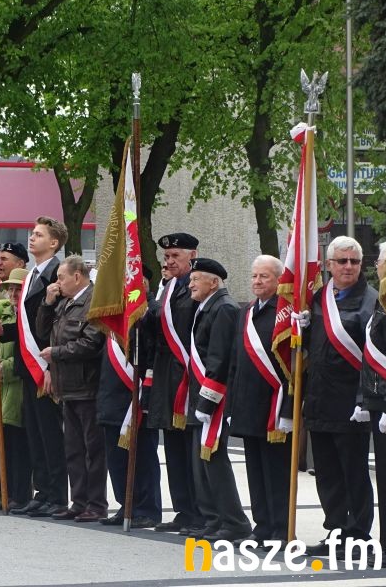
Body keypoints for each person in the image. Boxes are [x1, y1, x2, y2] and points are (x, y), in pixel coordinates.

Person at [304, 236, 377, 556]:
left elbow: (373, 359)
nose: (349, 267)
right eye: (342, 261)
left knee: (354, 473)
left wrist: (364, 400)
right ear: (329, 265)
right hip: (320, 400)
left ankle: (358, 535)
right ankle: (335, 530)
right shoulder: (318, 299)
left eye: (354, 261)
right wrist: (301, 327)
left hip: (351, 404)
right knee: (327, 473)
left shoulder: (371, 301)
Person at [0, 217, 69, 517]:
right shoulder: (32, 275)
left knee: (50, 435)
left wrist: (50, 367)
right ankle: (43, 491)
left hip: (45, 367)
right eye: (32, 233)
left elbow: (55, 325)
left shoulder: (57, 274)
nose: (32, 238)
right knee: (35, 435)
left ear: (54, 242)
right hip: (28, 366)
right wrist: (6, 331)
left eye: (39, 234)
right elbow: (30, 326)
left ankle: (57, 495)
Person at [227, 255, 292, 545]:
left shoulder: (285, 313)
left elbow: (292, 367)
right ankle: (262, 526)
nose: (257, 281)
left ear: (279, 280)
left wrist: (288, 410)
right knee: (255, 469)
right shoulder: (247, 312)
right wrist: (232, 405)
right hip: (248, 404)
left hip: (273, 406)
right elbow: (235, 360)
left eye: (264, 276)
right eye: (254, 276)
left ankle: (281, 528)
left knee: (276, 470)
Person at [36, 255, 107, 522]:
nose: (57, 283)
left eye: (61, 277)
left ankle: (96, 504)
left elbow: (91, 343)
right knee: (74, 449)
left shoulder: (93, 301)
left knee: (93, 450)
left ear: (77, 276)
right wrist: (47, 303)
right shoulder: (64, 303)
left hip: (87, 385)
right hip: (66, 386)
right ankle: (79, 501)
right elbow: (42, 331)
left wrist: (57, 353)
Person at [186, 258, 251, 541]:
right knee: (202, 463)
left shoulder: (223, 308)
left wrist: (207, 402)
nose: (190, 284)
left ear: (213, 282)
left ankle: (234, 522)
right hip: (202, 397)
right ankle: (214, 519)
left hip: (215, 400)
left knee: (214, 461)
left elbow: (219, 359)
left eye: (195, 279)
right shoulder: (207, 306)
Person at [147, 233, 203, 534]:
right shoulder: (166, 289)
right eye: (166, 257)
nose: (168, 262)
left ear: (191, 256)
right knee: (172, 447)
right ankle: (183, 509)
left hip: (187, 375)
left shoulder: (196, 288)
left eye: (175, 256)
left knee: (190, 448)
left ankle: (199, 511)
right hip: (166, 375)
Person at [98, 264, 162, 528]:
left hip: (136, 394)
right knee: (116, 458)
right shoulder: (116, 315)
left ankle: (146, 509)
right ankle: (126, 505)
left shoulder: (152, 312)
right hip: (111, 396)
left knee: (143, 456)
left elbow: (153, 352)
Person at [358, 239, 386, 567]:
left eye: (381, 259)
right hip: (378, 400)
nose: (378, 265)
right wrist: (363, 400)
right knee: (384, 478)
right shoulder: (383, 299)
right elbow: (371, 355)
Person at [0, 267, 31, 510]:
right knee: (3, 444)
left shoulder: (25, 317)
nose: (12, 294)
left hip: (17, 387)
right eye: (10, 289)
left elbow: (27, 349)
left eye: (17, 289)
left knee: (18, 446)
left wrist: (8, 366)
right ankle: (6, 493)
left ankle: (20, 495)